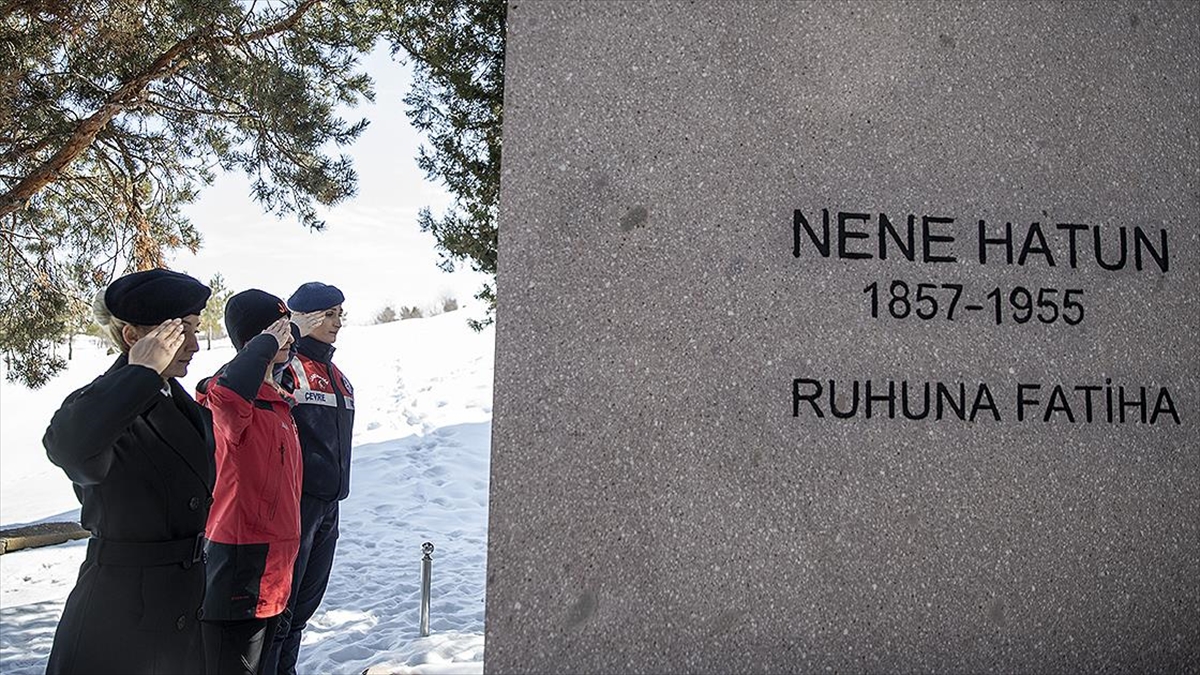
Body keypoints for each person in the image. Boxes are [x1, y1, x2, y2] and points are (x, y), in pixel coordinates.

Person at [43, 269, 213, 675]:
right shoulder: (103, 402)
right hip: (122, 615)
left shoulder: (179, 402)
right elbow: (68, 447)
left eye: (195, 329)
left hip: (185, 603)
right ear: (134, 338)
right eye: (179, 331)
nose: (193, 345)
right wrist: (140, 374)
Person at [196, 290, 319, 675]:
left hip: (277, 564)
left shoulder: (278, 401)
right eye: (277, 331)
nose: (289, 338)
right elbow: (231, 394)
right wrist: (266, 342)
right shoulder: (226, 396)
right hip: (240, 561)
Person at [263, 282, 354, 675]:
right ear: (306, 318)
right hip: (293, 507)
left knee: (302, 609)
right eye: (329, 314)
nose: (337, 323)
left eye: (340, 315)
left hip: (329, 508)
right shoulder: (287, 368)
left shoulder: (339, 376)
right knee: (279, 610)